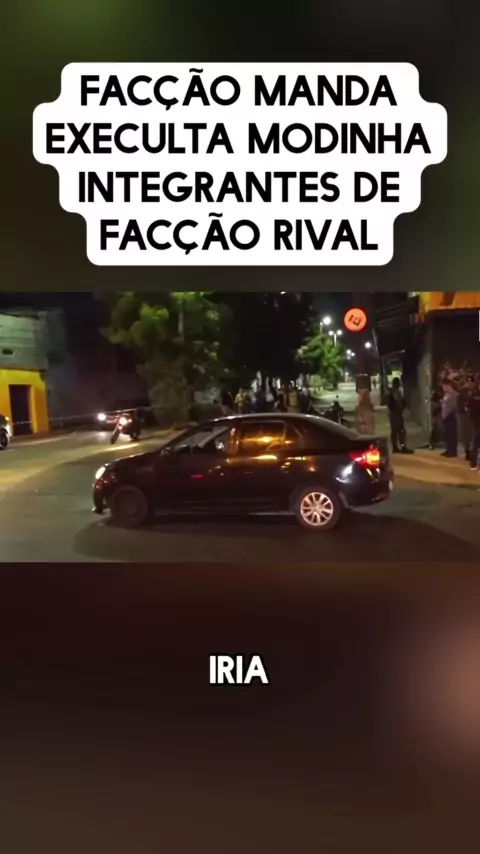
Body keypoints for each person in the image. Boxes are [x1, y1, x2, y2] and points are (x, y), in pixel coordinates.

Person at [385, 377, 412, 453]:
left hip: (397, 414)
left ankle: (398, 447)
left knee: (399, 431)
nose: (399, 385)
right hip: (395, 415)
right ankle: (399, 447)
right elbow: (390, 404)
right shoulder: (392, 394)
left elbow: (402, 403)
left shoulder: (397, 393)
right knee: (398, 431)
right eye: (398, 383)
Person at [457, 373, 475, 461]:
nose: (470, 384)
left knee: (471, 435)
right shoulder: (462, 392)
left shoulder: (474, 391)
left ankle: (471, 452)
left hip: (472, 416)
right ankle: (468, 452)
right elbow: (460, 405)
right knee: (467, 434)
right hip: (465, 416)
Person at [440, 378, 458, 457]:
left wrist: (449, 413)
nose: (443, 388)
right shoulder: (446, 394)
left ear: (448, 385)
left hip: (451, 417)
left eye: (444, 386)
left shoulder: (454, 395)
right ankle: (448, 449)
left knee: (452, 434)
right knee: (447, 434)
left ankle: (453, 451)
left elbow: (454, 407)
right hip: (445, 417)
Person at [466, 380, 480, 470]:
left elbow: (467, 406)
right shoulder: (474, 395)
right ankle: (474, 464)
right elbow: (468, 406)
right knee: (475, 443)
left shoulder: (473, 395)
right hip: (476, 422)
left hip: (475, 421)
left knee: (475, 443)